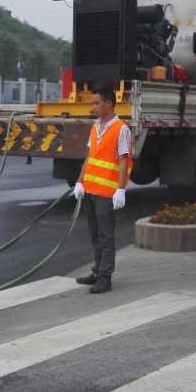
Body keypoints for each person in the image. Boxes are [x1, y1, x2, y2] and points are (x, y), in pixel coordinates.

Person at [72, 82, 131, 293]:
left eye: (97, 103)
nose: (93, 107)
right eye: (93, 103)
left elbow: (124, 161)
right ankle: (97, 271)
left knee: (106, 237)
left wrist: (121, 189)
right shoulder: (95, 126)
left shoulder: (121, 129)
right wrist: (80, 181)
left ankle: (105, 278)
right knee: (95, 234)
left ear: (109, 104)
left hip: (107, 192)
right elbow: (89, 157)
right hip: (90, 190)